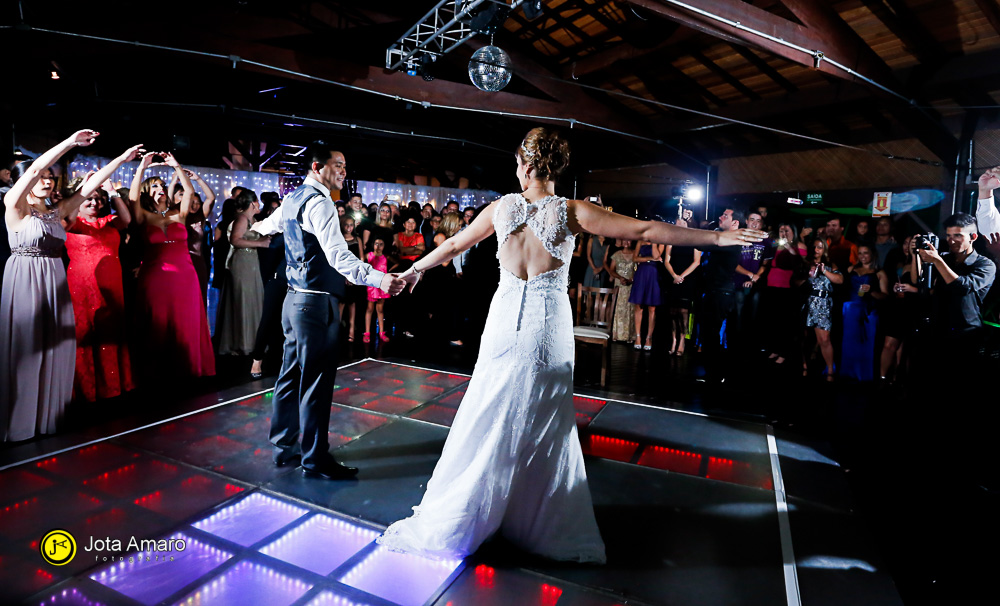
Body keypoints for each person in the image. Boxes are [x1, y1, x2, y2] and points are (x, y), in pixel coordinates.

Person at [379, 127, 764, 562]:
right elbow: (644, 229)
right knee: (543, 419)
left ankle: (472, 513)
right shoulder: (572, 212)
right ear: (556, 168)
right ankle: (535, 519)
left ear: (525, 165)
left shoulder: (501, 208)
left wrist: (413, 271)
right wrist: (715, 238)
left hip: (503, 325)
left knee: (487, 411)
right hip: (546, 329)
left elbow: (450, 245)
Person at [251, 141, 405, 479]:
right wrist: (380, 277)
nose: (343, 172)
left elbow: (264, 228)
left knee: (290, 376)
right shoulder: (319, 204)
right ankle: (315, 458)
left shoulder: (292, 198)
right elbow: (339, 257)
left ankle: (285, 446)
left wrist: (249, 228)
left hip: (293, 301)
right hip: (315, 303)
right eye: (338, 165)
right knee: (316, 383)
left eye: (345, 166)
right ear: (317, 167)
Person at [2, 130, 138, 441]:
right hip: (25, 280)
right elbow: (34, 168)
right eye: (42, 177)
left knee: (56, 348)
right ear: (23, 182)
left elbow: (90, 186)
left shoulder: (54, 212)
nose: (47, 181)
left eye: (51, 177)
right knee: (28, 349)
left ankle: (46, 419)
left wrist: (119, 159)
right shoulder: (14, 205)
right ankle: (20, 422)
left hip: (54, 281)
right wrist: (70, 143)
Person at [128, 151, 216, 382]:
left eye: (161, 184)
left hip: (185, 276)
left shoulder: (180, 214)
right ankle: (157, 374)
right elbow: (132, 199)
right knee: (157, 324)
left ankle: (187, 369)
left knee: (185, 322)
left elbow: (188, 192)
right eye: (154, 185)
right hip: (156, 276)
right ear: (148, 192)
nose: (160, 188)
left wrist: (176, 166)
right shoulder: (143, 217)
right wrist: (141, 168)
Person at [65, 178, 135, 401]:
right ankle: (87, 388)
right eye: (89, 198)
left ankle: (111, 385)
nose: (95, 202)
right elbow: (67, 215)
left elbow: (127, 219)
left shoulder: (111, 221)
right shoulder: (72, 222)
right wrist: (82, 192)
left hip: (112, 285)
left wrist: (112, 191)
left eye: (98, 198)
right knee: (85, 332)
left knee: (111, 331)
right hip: (81, 285)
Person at [217, 189, 270, 355]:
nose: (259, 204)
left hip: (251, 262)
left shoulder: (251, 219)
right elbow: (235, 240)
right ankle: (243, 343)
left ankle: (252, 341)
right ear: (252, 203)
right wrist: (261, 243)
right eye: (257, 201)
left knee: (252, 300)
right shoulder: (241, 218)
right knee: (244, 301)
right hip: (242, 263)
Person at [699, 207, 745, 381]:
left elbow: (702, 243)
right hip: (715, 291)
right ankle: (713, 373)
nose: (720, 217)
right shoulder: (725, 239)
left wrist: (686, 229)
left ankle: (716, 374)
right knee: (709, 333)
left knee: (712, 333)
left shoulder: (731, 241)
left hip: (721, 292)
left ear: (735, 223)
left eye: (725, 216)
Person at [840, 244, 887, 381]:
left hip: (868, 312)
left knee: (867, 344)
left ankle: (864, 375)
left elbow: (885, 296)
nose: (862, 256)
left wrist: (871, 291)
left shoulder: (879, 272)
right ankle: (847, 373)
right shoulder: (851, 269)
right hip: (849, 311)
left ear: (872, 254)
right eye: (860, 253)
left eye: (865, 253)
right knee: (848, 343)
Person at [762, 222, 806, 366]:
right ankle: (774, 348)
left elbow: (799, 265)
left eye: (787, 230)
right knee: (773, 320)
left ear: (793, 231)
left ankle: (785, 352)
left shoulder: (798, 246)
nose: (784, 233)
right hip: (772, 286)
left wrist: (788, 247)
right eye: (781, 230)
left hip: (787, 288)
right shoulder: (775, 245)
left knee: (785, 322)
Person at [800, 238, 844, 380]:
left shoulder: (830, 265)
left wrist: (824, 271)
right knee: (805, 338)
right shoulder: (805, 264)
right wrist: (807, 276)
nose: (816, 250)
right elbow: (795, 281)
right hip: (807, 302)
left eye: (819, 247)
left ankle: (830, 370)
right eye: (814, 247)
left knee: (824, 339)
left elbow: (840, 280)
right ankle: (805, 366)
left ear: (824, 249)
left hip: (823, 303)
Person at [663, 221, 701, 356]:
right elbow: (666, 261)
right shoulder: (672, 240)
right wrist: (674, 275)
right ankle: (673, 340)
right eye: (677, 222)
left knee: (684, 312)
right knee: (673, 312)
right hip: (673, 278)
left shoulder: (694, 241)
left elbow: (697, 262)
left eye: (682, 222)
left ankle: (682, 341)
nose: (679, 224)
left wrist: (682, 276)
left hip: (687, 279)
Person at [628, 239, 662, 350]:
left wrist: (654, 244)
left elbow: (657, 256)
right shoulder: (640, 241)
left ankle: (649, 338)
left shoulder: (660, 242)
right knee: (638, 306)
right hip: (641, 273)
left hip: (653, 274)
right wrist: (648, 259)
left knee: (652, 308)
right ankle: (638, 337)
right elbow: (634, 258)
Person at [607, 239, 636, 343]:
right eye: (625, 241)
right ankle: (617, 335)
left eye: (629, 241)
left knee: (630, 309)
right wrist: (620, 278)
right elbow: (611, 269)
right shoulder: (617, 254)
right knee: (618, 308)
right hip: (619, 284)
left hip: (631, 285)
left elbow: (638, 269)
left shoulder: (636, 254)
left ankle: (630, 335)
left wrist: (630, 280)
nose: (627, 242)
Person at [364, 237, 392, 343]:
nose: (378, 246)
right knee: (369, 308)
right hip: (371, 285)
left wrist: (389, 272)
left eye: (381, 244)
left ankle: (381, 332)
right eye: (376, 244)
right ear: (373, 245)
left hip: (382, 285)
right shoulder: (369, 255)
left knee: (380, 309)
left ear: (384, 246)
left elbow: (397, 262)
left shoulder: (386, 257)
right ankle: (367, 333)